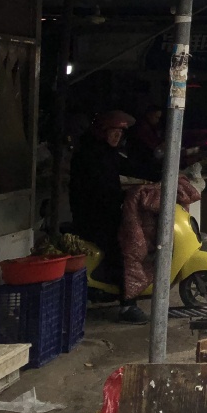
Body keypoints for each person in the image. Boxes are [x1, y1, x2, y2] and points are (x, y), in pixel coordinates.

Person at [68, 110, 150, 323]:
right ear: (102, 132)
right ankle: (127, 306)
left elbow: (130, 167)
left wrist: (165, 172)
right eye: (113, 132)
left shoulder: (107, 153)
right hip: (93, 217)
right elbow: (99, 189)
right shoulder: (90, 155)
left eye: (120, 134)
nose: (117, 137)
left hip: (107, 212)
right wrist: (125, 194)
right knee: (126, 251)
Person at [127, 106, 164, 181]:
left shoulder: (152, 127)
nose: (158, 120)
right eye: (156, 117)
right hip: (140, 161)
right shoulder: (142, 127)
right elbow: (153, 145)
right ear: (149, 115)